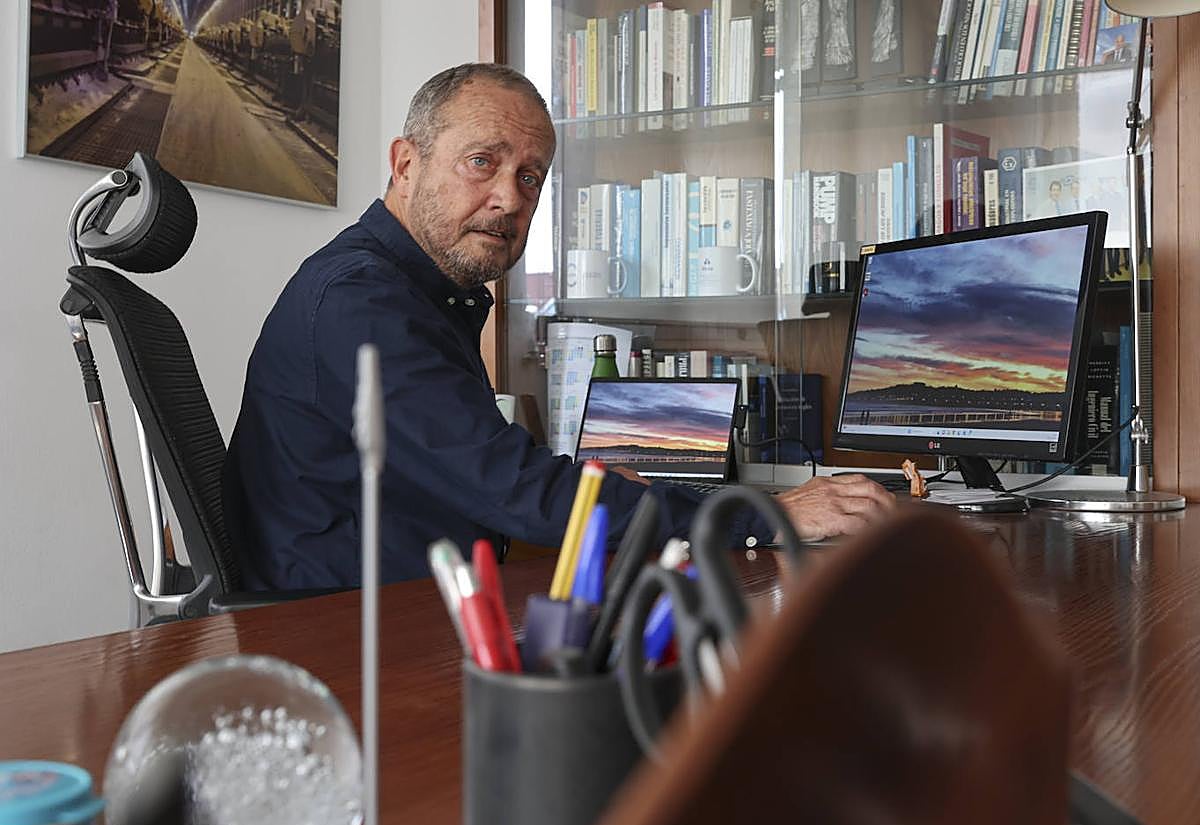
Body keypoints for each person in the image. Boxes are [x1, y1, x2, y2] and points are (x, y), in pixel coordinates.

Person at [223, 63, 894, 589]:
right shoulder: (362, 302)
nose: (510, 198)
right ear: (405, 164)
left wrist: (596, 491)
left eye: (531, 176)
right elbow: (515, 491)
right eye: (482, 161)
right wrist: (765, 517)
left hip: (408, 599)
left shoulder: (410, 290)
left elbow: (488, 473)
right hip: (347, 642)